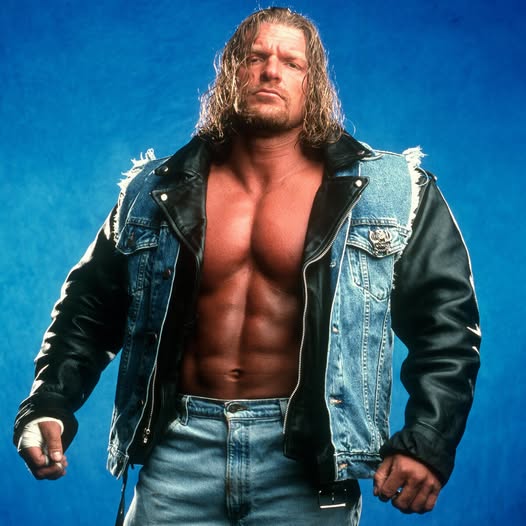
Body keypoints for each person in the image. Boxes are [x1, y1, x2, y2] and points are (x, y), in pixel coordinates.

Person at [14, 7, 481, 525]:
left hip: (306, 457)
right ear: (229, 73)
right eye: (255, 57)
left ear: (313, 83)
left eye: (291, 62)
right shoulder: (156, 189)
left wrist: (428, 439)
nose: (270, 71)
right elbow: (87, 309)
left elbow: (446, 325)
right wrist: (48, 403)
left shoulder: (389, 191)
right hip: (179, 452)